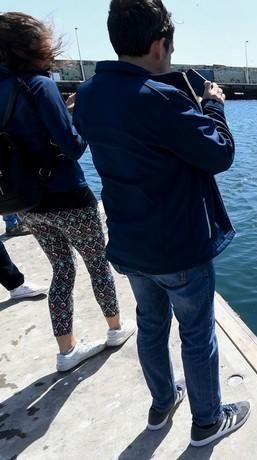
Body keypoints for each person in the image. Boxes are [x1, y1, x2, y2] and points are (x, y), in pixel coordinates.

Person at [73, 0, 249, 447]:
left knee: (151, 324)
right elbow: (218, 154)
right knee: (196, 332)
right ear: (159, 44)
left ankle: (161, 403)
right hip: (177, 244)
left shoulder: (90, 95)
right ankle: (207, 421)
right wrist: (213, 106)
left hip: (130, 241)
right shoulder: (163, 99)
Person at [0, 12, 135, 372]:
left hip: (26, 201)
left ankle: (66, 351)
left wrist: (62, 110)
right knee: (97, 265)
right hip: (66, 195)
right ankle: (115, 329)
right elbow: (73, 147)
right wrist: (75, 114)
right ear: (32, 45)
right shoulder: (39, 85)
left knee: (61, 271)